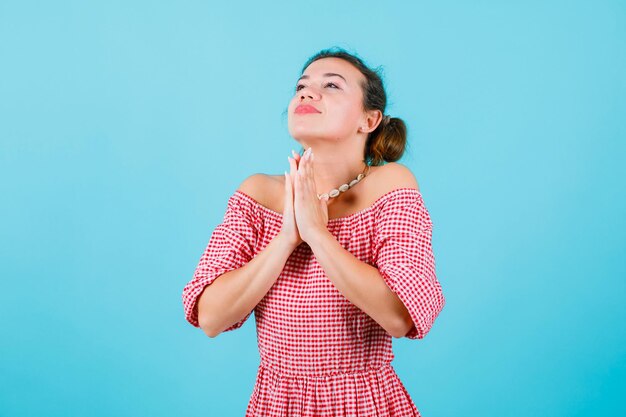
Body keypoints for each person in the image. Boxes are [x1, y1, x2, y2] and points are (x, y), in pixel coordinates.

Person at [181, 47, 446, 417]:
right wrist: (287, 236)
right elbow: (210, 316)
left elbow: (401, 316)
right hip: (278, 404)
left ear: (369, 120)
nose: (306, 93)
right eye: (301, 86)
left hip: (363, 404)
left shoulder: (390, 186)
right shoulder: (257, 193)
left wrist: (318, 235)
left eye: (332, 85)